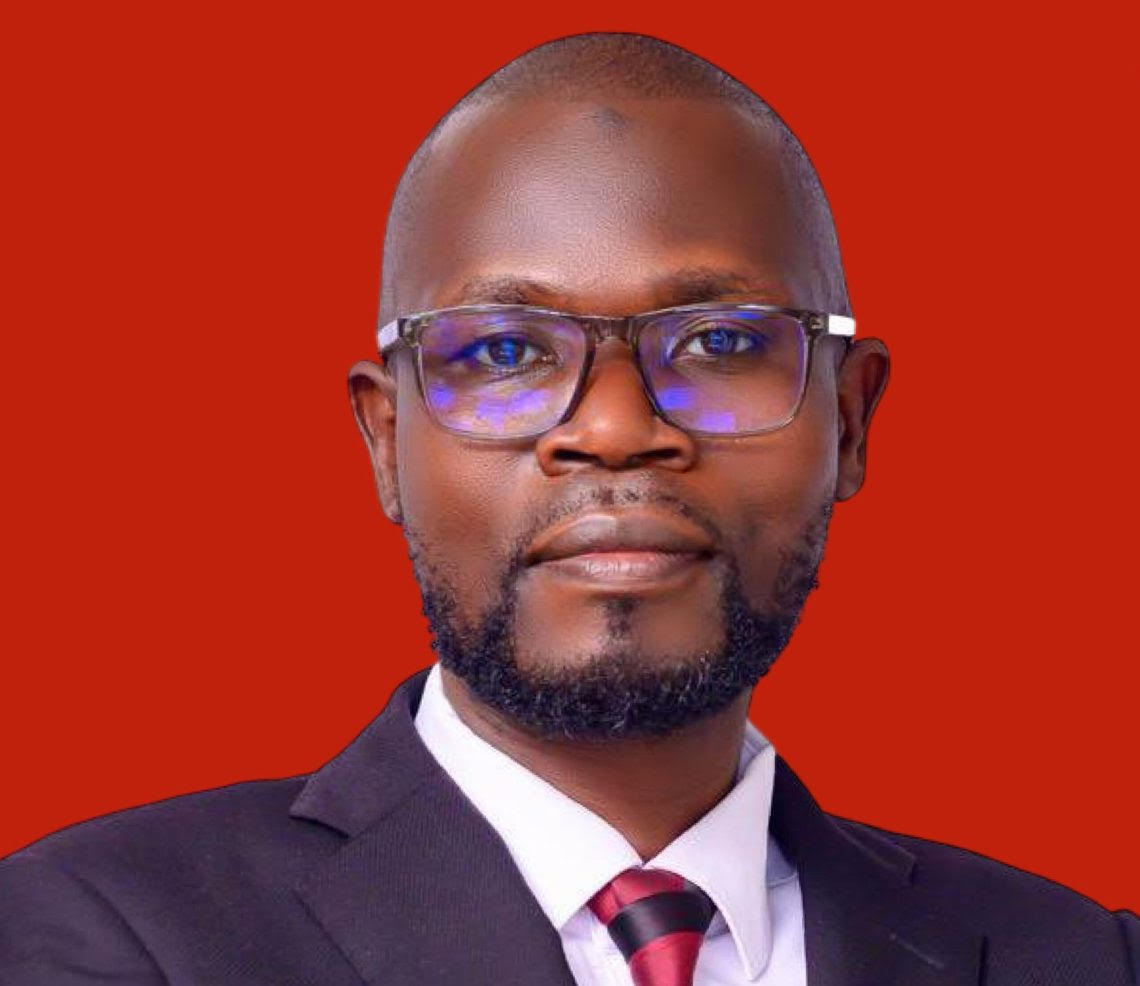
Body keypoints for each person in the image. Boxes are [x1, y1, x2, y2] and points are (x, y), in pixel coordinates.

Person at [1, 31, 1135, 986]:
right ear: (387, 442)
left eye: (720, 340)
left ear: (850, 422)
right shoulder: (100, 937)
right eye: (504, 351)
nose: (615, 427)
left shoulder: (1082, 958)